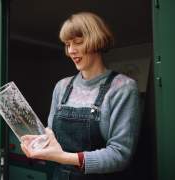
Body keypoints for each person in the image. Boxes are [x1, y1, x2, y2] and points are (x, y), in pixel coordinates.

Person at [21, 12, 140, 180]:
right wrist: (39, 144)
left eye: (78, 42)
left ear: (96, 40)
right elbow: (52, 137)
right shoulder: (62, 87)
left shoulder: (122, 88)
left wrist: (64, 157)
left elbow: (120, 155)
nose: (71, 51)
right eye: (67, 44)